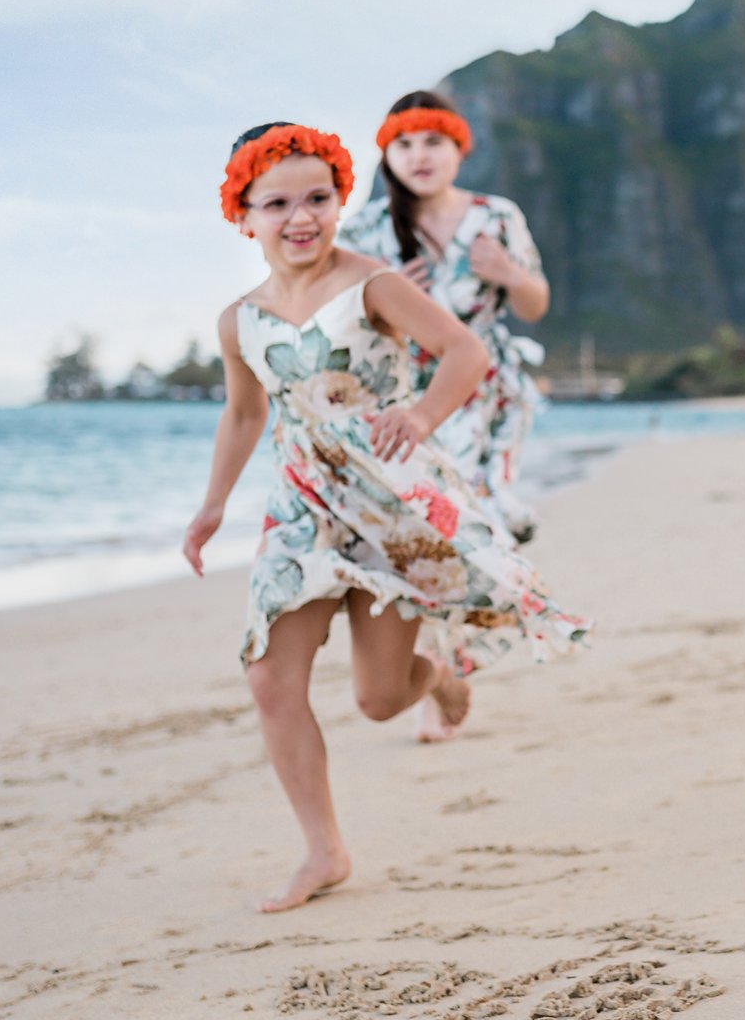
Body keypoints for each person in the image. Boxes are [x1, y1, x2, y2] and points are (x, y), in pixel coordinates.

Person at [184, 121, 587, 913]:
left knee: (376, 697)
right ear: (244, 215)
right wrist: (210, 507)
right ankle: (323, 850)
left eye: (318, 197)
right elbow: (241, 416)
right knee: (267, 676)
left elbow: (466, 352)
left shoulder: (372, 283)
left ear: (339, 200)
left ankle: (435, 677)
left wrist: (425, 416)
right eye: (277, 203)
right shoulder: (239, 320)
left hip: (385, 504)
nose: (300, 216)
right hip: (300, 509)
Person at [338, 90, 551, 541]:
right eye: (405, 144)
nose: (419, 156)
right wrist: (395, 302)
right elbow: (343, 324)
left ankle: (494, 597)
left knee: (476, 509)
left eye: (433, 141)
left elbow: (535, 307)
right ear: (388, 155)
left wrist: (507, 273)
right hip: (404, 392)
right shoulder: (367, 229)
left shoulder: (495, 217)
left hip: (485, 385)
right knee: (423, 515)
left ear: (459, 150)